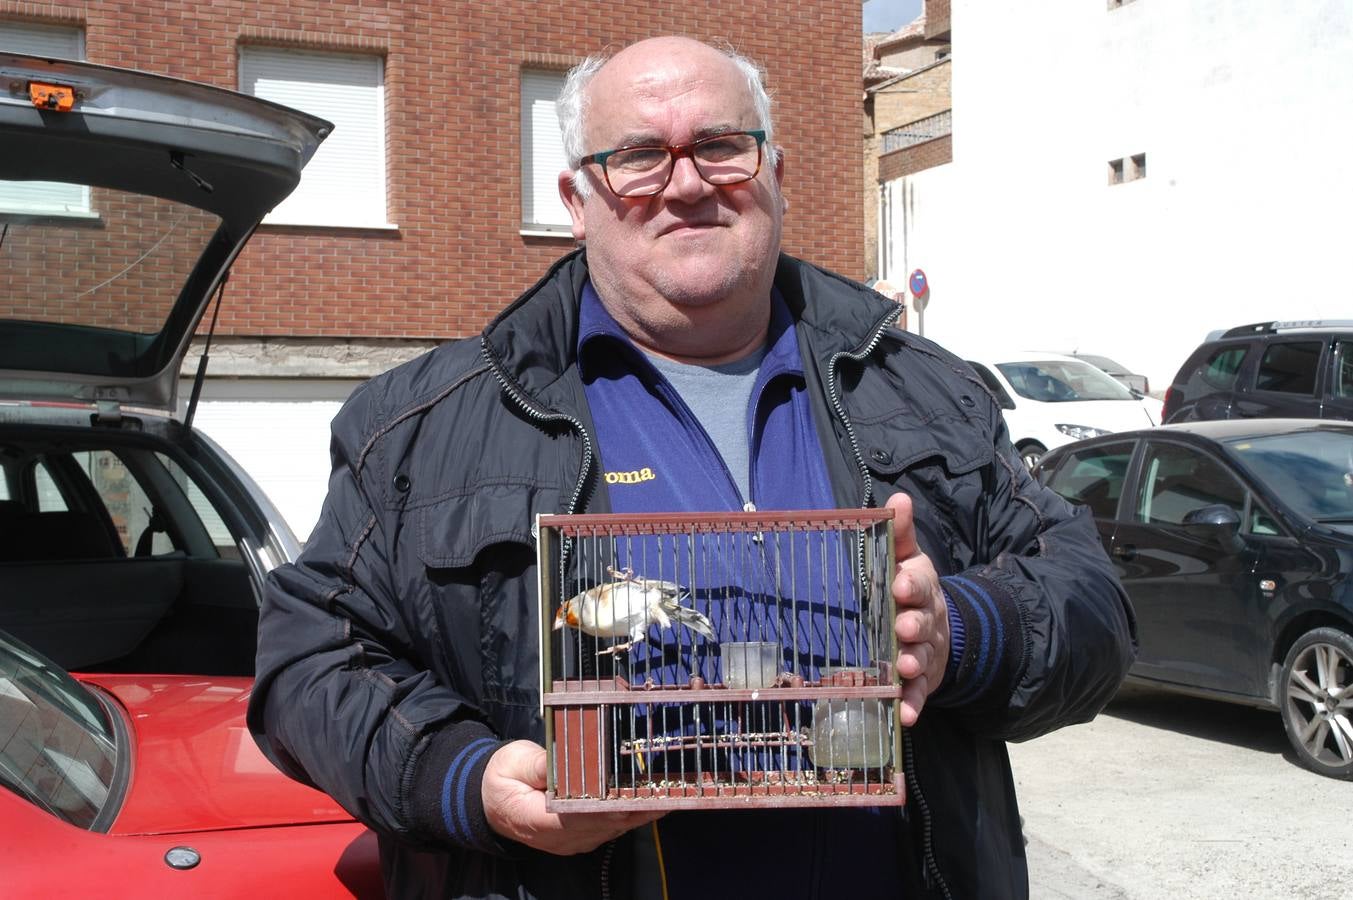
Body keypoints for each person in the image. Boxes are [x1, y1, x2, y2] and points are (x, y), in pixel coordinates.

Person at [248, 36, 1136, 899]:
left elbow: (1092, 601)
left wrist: (961, 632)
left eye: (720, 146)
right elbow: (309, 664)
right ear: (577, 198)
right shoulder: (420, 425)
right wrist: (464, 779)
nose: (685, 184)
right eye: (638, 156)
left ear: (775, 173)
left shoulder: (928, 390)